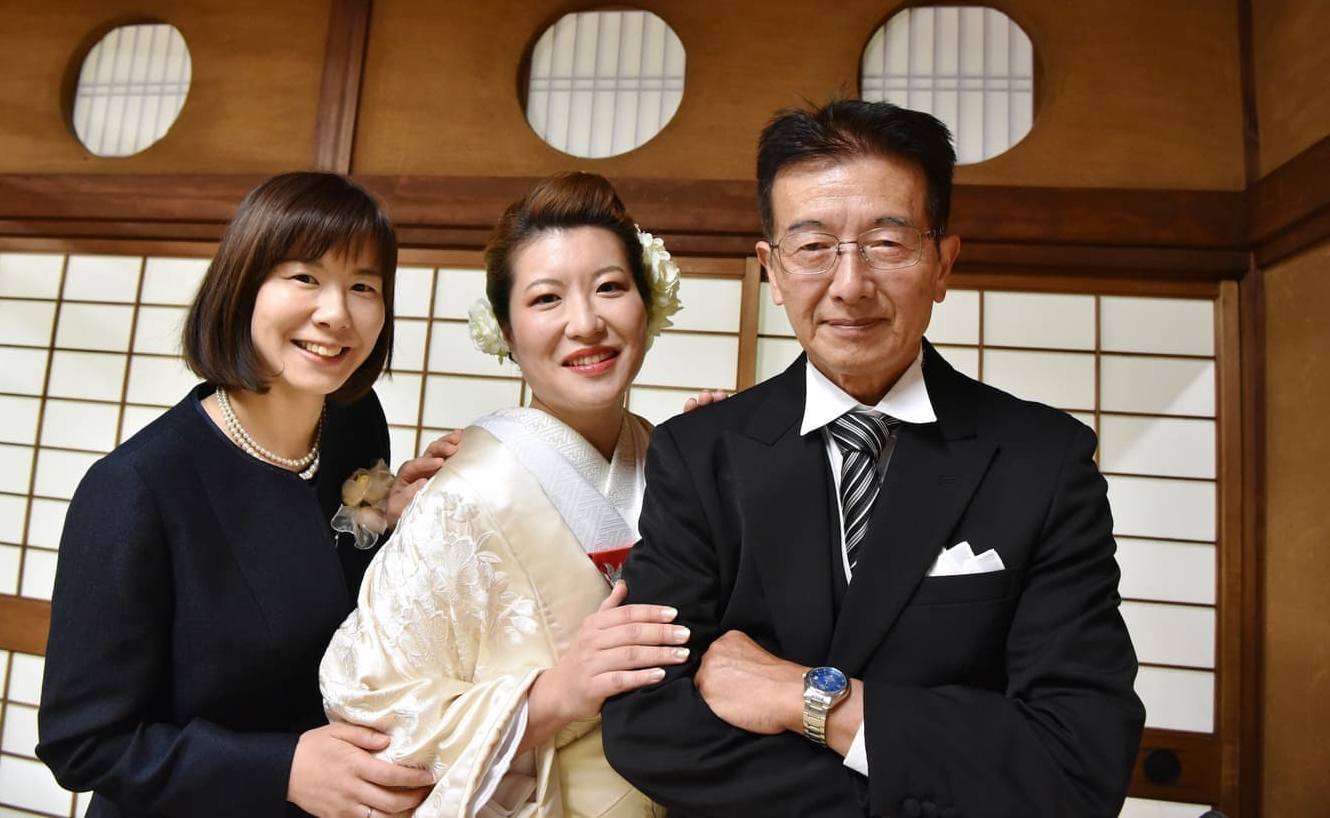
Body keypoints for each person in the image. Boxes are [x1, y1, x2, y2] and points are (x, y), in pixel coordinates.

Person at [601, 100, 1146, 817]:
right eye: (814, 246)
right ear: (771, 267)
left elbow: (1081, 755)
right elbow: (649, 726)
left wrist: (806, 700)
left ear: (943, 262)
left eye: (887, 243)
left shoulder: (1044, 462)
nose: (850, 285)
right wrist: (918, 782)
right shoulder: (699, 454)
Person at [37, 172, 458, 818]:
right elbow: (83, 742)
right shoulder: (134, 490)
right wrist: (283, 769)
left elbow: (332, 584)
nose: (336, 313)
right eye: (305, 277)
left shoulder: (355, 420)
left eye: (363, 286)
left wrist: (395, 518)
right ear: (244, 284)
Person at [319, 172, 691, 817]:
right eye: (546, 299)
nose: (586, 322)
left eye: (610, 287)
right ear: (506, 330)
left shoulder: (682, 465)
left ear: (646, 303)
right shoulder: (457, 494)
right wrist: (555, 696)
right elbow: (372, 706)